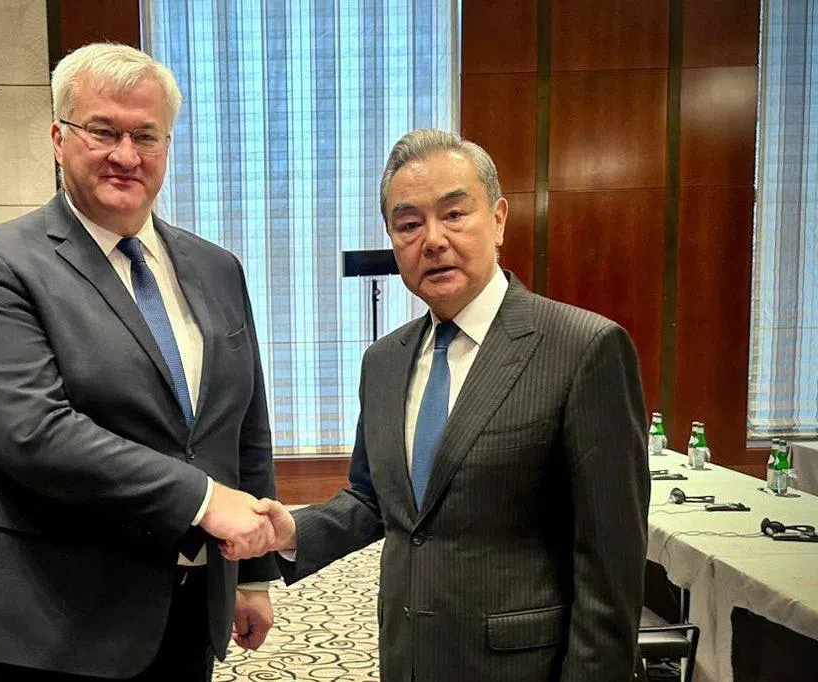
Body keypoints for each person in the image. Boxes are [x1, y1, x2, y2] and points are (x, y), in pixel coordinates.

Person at [238, 129, 650, 681]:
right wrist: (293, 529)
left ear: (499, 218)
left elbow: (610, 570)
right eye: (409, 224)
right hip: (408, 656)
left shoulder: (583, 349)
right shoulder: (383, 361)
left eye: (455, 214)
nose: (432, 239)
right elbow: (376, 499)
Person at [0, 43, 277, 681]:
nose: (126, 155)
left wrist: (253, 572)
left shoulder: (217, 267)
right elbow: (31, 433)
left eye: (146, 136)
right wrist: (204, 501)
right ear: (57, 137)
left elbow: (244, 424)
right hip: (59, 617)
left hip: (187, 604)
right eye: (102, 131)